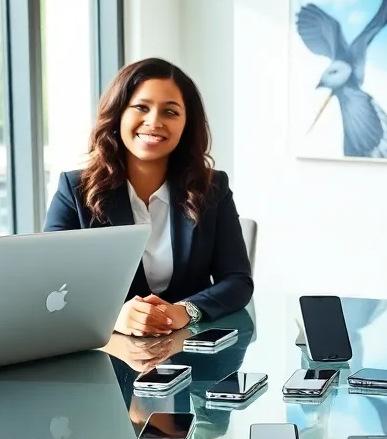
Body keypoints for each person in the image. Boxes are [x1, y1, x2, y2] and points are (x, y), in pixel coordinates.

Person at [44, 57, 252, 337]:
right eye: (141, 107)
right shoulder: (75, 190)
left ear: (186, 124)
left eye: (170, 112)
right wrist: (111, 316)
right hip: (106, 350)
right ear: (119, 113)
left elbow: (237, 281)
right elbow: (50, 285)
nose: (154, 122)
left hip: (188, 348)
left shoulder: (212, 187)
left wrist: (186, 310)